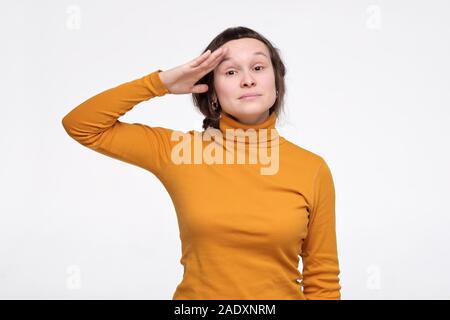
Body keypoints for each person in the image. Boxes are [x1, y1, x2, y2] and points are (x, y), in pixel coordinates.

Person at [62, 26, 341, 300]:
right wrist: (160, 84)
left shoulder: (312, 169)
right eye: (231, 72)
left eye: (258, 68)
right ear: (212, 92)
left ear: (276, 84)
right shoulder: (180, 151)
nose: (247, 80)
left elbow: (322, 279)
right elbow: (82, 125)